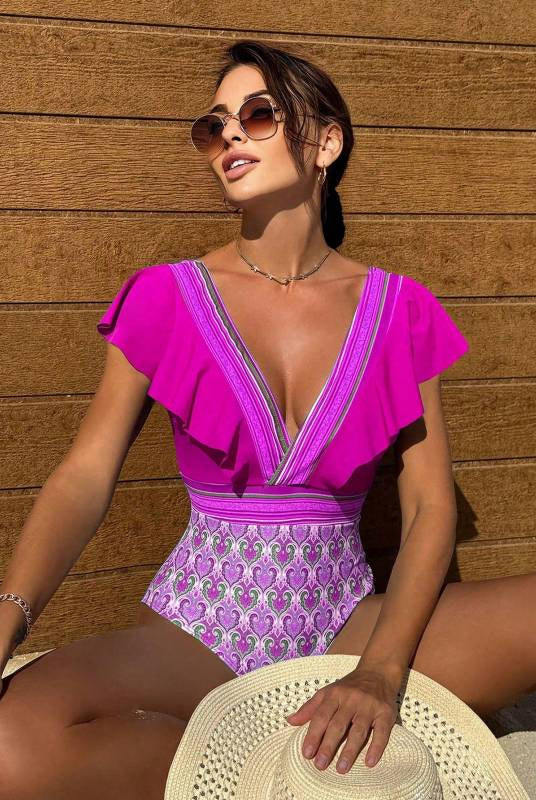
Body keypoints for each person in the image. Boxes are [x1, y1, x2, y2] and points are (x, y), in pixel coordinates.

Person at [0, 39, 534, 800]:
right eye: (213, 126)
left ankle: (283, 753)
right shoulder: (164, 296)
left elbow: (429, 505)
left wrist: (381, 670)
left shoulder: (401, 309)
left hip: (347, 620)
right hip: (201, 629)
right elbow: (85, 476)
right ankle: (253, 770)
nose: (229, 136)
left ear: (326, 142)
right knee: (13, 746)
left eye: (257, 115)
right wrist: (11, 614)